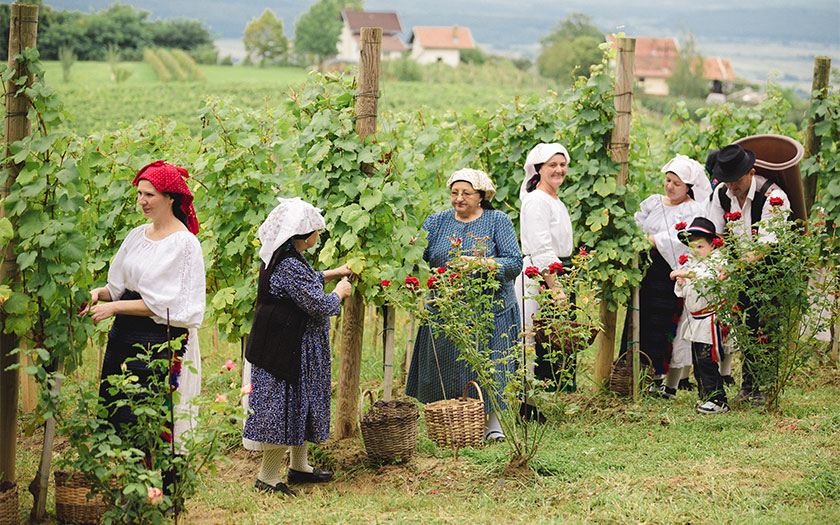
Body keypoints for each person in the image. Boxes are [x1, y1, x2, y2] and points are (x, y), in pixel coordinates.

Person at [81, 160, 206, 497]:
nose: (142, 201)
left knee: (152, 418)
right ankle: (128, 492)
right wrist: (99, 294)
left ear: (170, 197)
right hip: (123, 338)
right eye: (139, 194)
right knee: (118, 411)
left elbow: (172, 307)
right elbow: (118, 286)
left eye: (149, 194)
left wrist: (115, 307)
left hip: (158, 341)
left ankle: (161, 496)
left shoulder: (185, 245)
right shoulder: (138, 235)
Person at [242, 197, 353, 497]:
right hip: (285, 350)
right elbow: (317, 303)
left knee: (300, 403)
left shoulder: (285, 255)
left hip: (291, 346)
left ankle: (299, 467)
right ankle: (267, 477)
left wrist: (333, 272)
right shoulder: (289, 263)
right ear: (303, 236)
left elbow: (306, 280)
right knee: (285, 409)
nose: (320, 234)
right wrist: (339, 293)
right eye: (317, 230)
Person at [406, 168, 523, 442]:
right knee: (445, 363)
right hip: (446, 307)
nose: (458, 198)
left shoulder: (498, 221)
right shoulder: (436, 222)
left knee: (491, 364)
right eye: (454, 193)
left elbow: (514, 262)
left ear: (481, 196)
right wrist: (408, 248)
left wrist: (482, 263)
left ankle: (494, 426)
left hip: (490, 309)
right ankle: (451, 421)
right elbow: (416, 256)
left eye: (466, 193)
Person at [706, 144, 791, 406]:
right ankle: (748, 386)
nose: (731, 187)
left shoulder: (773, 196)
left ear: (751, 173)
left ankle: (764, 387)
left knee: (766, 328)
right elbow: (716, 235)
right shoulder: (721, 194)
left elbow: (767, 246)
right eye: (727, 181)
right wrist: (719, 263)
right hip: (739, 269)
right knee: (744, 326)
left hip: (771, 269)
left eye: (736, 181)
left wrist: (733, 267)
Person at [624, 155, 712, 394]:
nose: (670, 186)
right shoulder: (653, 203)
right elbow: (636, 227)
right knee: (642, 321)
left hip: (671, 273)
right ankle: (636, 372)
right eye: (668, 180)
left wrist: (655, 240)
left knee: (664, 326)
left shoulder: (693, 209)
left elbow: (687, 241)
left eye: (676, 183)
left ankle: (661, 378)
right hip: (647, 271)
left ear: (688, 187)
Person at [514, 143, 576, 401]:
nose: (559, 169)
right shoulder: (537, 200)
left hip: (556, 271)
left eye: (562, 164)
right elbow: (541, 248)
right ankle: (527, 402)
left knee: (552, 338)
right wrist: (555, 287)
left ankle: (544, 398)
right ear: (538, 169)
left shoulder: (554, 199)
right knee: (532, 337)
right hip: (538, 276)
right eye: (552, 165)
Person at [671, 217, 729, 414]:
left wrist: (685, 275)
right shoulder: (694, 264)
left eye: (701, 246)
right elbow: (684, 291)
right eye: (693, 246)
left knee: (707, 359)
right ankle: (705, 396)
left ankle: (718, 399)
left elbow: (709, 278)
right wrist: (681, 283)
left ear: (713, 244)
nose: (696, 251)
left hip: (710, 319)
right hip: (696, 319)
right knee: (698, 360)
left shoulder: (718, 262)